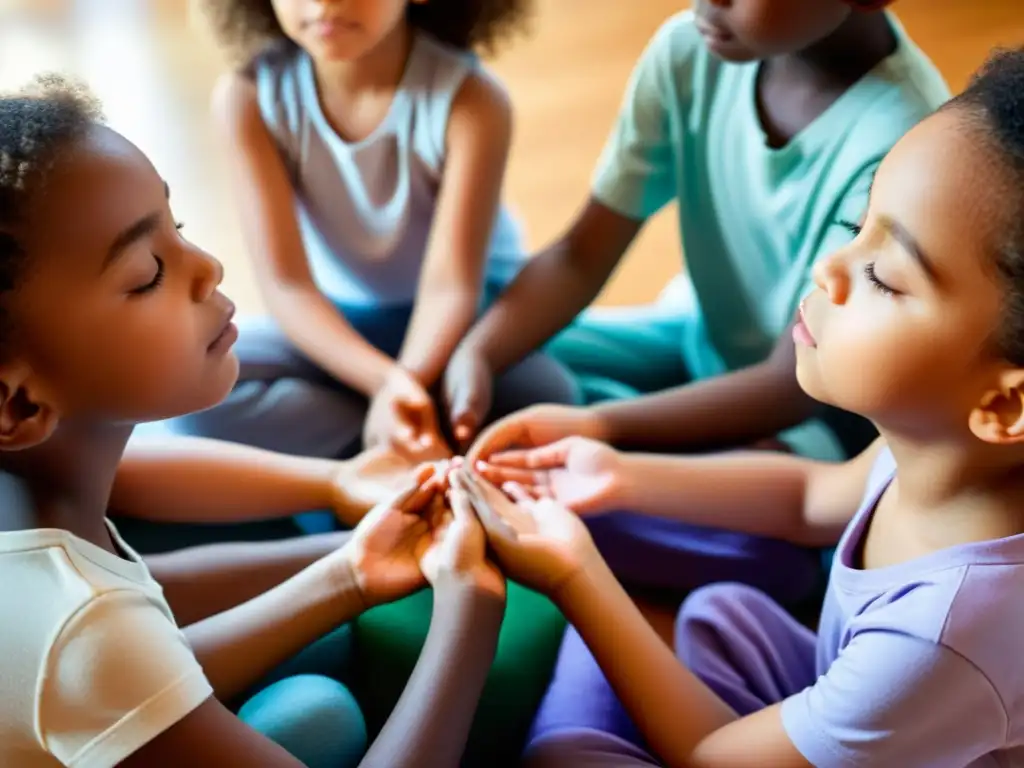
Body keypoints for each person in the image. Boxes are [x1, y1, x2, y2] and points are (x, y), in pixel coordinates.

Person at [466, 46, 1024, 766]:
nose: (828, 266)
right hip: (848, 690)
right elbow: (809, 496)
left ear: (1007, 405)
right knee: (721, 615)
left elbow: (708, 755)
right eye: (859, 228)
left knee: (568, 755)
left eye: (885, 275)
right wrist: (616, 472)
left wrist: (577, 575)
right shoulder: (939, 444)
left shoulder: (946, 638)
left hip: (845, 714)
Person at [0, 75, 505, 767]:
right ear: (18, 405)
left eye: (176, 231)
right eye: (147, 273)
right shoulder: (80, 633)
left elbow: (139, 654)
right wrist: (466, 617)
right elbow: (108, 655)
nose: (207, 267)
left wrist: (349, 570)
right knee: (319, 719)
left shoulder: (34, 494)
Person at [454, 0, 950, 603]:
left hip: (814, 420)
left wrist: (601, 426)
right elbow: (581, 255)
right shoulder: (689, 51)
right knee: (493, 345)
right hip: (700, 336)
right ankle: (610, 461)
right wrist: (477, 355)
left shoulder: (903, 144)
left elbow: (786, 386)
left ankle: (634, 479)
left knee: (740, 535)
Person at [155, 0, 578, 461]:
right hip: (339, 323)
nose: (321, 4)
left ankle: (378, 444)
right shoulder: (248, 97)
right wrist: (388, 384)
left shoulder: (472, 101)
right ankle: (407, 433)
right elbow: (288, 286)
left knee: (546, 393)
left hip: (462, 326)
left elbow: (450, 287)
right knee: (190, 392)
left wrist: (404, 382)